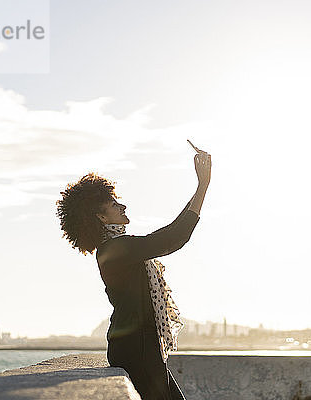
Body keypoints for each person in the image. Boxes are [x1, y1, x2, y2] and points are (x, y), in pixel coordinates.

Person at [56, 148, 211, 399]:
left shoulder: (115, 247)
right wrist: (203, 185)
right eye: (115, 204)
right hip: (136, 349)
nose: (123, 205)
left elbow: (171, 232)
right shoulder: (116, 249)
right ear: (100, 215)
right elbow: (174, 238)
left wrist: (198, 189)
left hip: (138, 346)